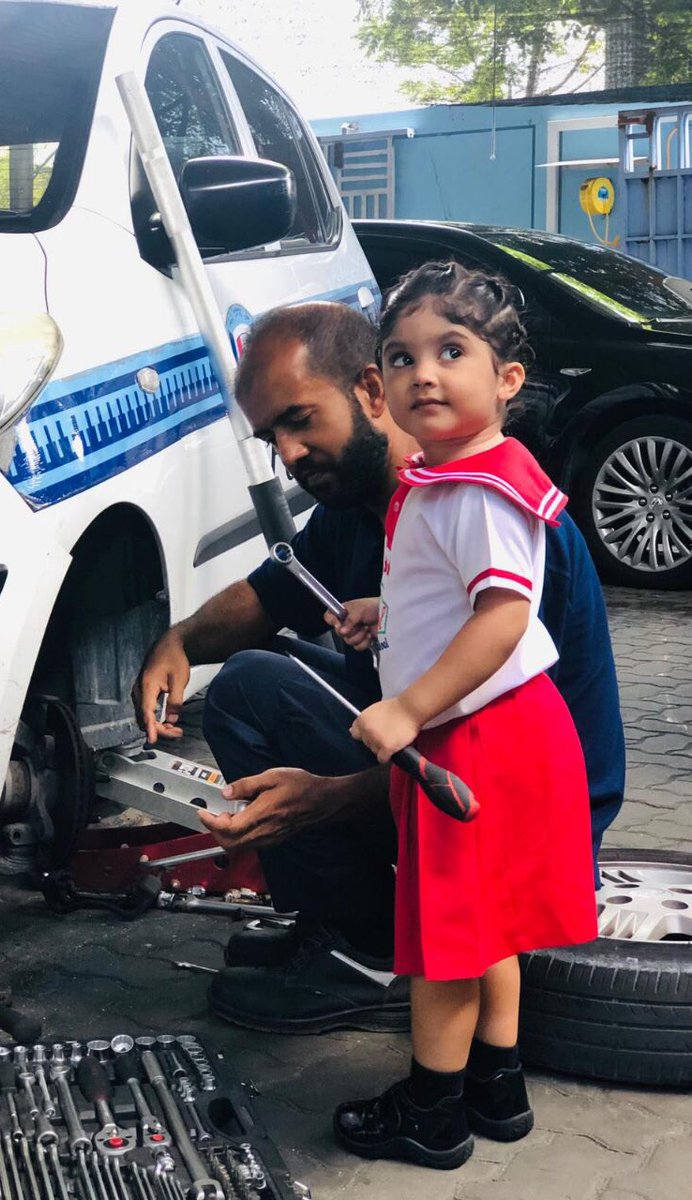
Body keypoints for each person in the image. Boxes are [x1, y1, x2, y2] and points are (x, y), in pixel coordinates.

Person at [132, 300, 624, 1037]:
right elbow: (270, 595)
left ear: (369, 391)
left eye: (301, 420)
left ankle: (368, 956)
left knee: (258, 694)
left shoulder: (487, 508)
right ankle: (341, 920)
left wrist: (329, 795)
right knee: (248, 685)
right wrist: (179, 641)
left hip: (526, 810)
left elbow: (503, 742)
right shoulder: (375, 501)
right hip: (461, 764)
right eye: (272, 438)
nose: (289, 455)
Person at [324, 261, 599, 1168]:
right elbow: (456, 598)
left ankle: (433, 1114)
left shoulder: (478, 488)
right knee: (493, 927)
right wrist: (384, 616)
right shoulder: (453, 477)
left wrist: (406, 704)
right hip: (510, 729)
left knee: (446, 941)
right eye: (400, 358)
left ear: (507, 379)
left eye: (452, 350)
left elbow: (504, 615)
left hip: (475, 740)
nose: (423, 373)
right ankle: (497, 1086)